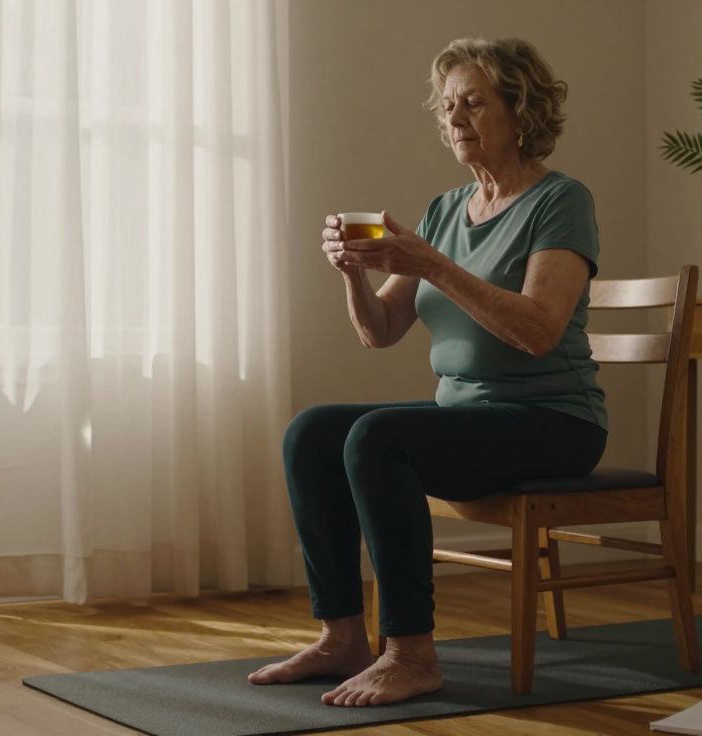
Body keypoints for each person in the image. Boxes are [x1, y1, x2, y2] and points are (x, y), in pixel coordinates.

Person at [248, 37, 608, 707]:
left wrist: (432, 265)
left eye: (474, 102)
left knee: (378, 437)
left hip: (554, 421)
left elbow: (537, 331)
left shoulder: (561, 201)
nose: (456, 118)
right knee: (313, 432)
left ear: (522, 110)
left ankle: (410, 652)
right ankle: (342, 637)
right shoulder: (445, 210)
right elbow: (379, 333)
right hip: (467, 420)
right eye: (448, 106)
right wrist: (353, 273)